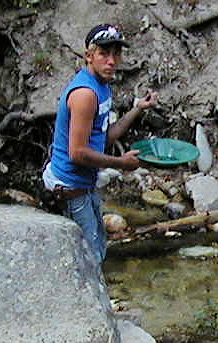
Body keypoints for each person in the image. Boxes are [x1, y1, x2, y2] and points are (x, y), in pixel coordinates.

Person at [42, 24, 158, 264]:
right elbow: (77, 153)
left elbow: (103, 138)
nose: (112, 61)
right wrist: (121, 163)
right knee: (88, 259)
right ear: (89, 55)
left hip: (85, 185)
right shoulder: (85, 94)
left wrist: (137, 109)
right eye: (104, 53)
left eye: (117, 53)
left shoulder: (102, 87)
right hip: (70, 188)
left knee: (98, 247)